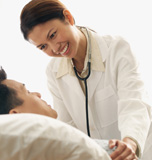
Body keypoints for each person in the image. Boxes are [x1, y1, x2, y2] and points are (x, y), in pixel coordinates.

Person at [20, 0, 152, 159]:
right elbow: (68, 127)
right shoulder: (53, 72)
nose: (54, 48)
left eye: (53, 35)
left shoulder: (117, 49)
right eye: (43, 47)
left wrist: (130, 143)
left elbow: (133, 103)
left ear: (68, 17)